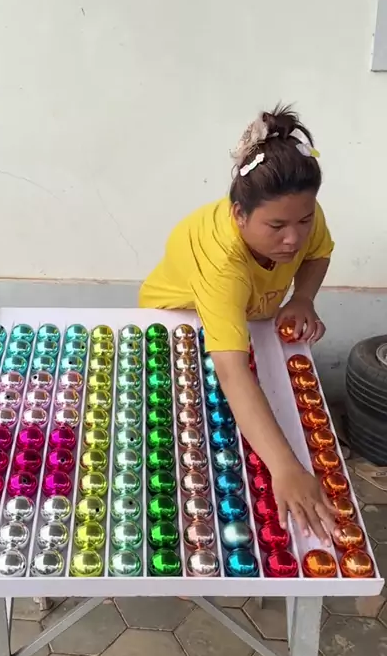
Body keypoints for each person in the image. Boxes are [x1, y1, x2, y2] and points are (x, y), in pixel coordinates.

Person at [139, 104, 338, 544]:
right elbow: (231, 370)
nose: (293, 238)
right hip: (180, 323)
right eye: (276, 226)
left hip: (249, 319)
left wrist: (303, 297)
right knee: (191, 439)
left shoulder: (301, 213)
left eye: (304, 221)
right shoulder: (221, 263)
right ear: (238, 215)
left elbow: (319, 252)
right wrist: (285, 468)